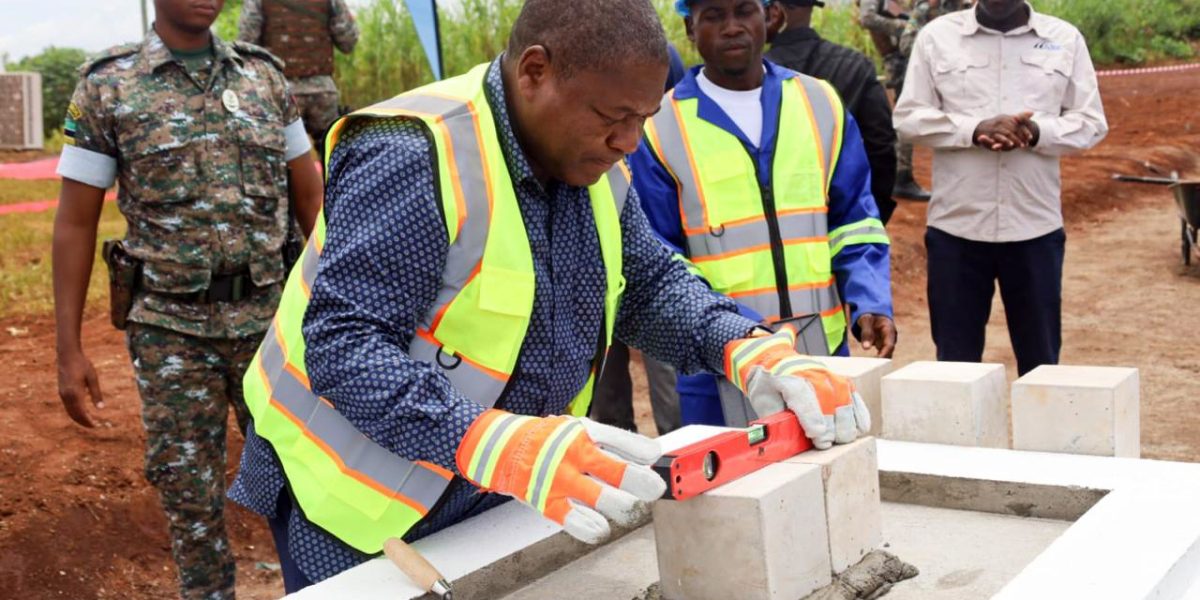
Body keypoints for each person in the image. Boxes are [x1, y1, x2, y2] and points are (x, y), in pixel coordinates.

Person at [227, 0, 872, 591]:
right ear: (535, 71)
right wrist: (495, 444)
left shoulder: (592, 163)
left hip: (501, 474)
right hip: (353, 497)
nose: (628, 143)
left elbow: (646, 284)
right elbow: (344, 346)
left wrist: (748, 347)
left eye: (642, 121)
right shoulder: (415, 153)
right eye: (612, 118)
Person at [51, 0, 324, 597]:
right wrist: (67, 349)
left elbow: (311, 198)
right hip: (170, 332)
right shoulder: (107, 87)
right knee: (188, 494)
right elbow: (75, 222)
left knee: (305, 478)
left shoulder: (265, 76)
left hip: (268, 325)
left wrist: (332, 305)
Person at [631, 0, 896, 426]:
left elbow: (854, 221)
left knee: (831, 476)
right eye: (713, 16)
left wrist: (870, 301)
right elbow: (659, 256)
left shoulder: (820, 104)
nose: (731, 27)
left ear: (770, 17)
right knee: (739, 488)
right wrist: (732, 335)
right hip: (721, 364)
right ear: (689, 29)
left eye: (744, 12)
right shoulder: (659, 128)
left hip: (821, 352)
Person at [893, 0, 1107, 375]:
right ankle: (959, 436)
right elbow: (909, 118)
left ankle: (1040, 436)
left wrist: (1036, 132)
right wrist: (973, 130)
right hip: (956, 231)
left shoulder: (1064, 39)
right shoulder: (937, 37)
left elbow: (1090, 122)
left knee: (1042, 365)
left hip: (1034, 231)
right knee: (955, 368)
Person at [590, 43, 689, 437]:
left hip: (649, 233)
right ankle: (615, 453)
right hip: (594, 244)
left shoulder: (657, 52)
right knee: (600, 370)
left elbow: (677, 121)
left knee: (665, 359)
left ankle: (676, 444)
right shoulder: (579, 47)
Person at [766, 0, 898, 224]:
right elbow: (882, 146)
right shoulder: (856, 65)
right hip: (844, 215)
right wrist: (873, 215)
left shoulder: (750, 78)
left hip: (776, 224)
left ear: (775, 12)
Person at [238, 0, 360, 158]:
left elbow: (246, 44)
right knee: (335, 157)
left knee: (281, 163)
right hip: (322, 92)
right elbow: (348, 42)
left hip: (279, 93)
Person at [858, 0, 932, 202]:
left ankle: (901, 175)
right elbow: (867, 18)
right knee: (906, 114)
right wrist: (905, 27)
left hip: (906, 54)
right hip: (897, 58)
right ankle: (901, 177)